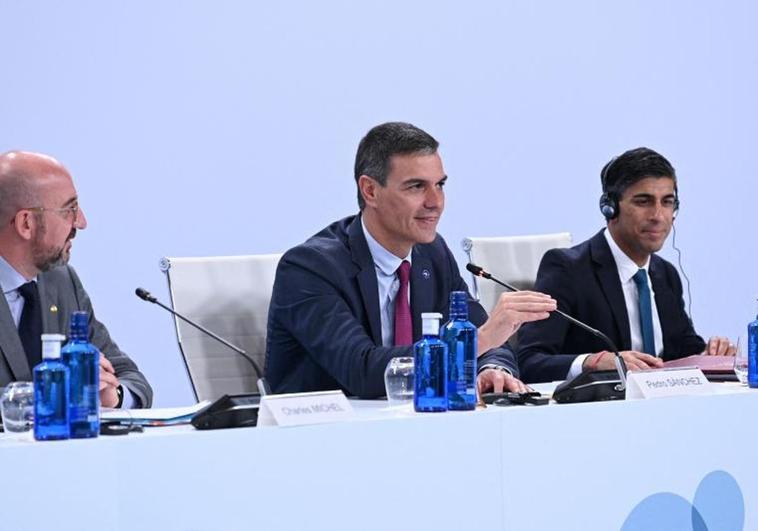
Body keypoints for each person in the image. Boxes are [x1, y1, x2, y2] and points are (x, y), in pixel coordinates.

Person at [265, 122, 556, 397]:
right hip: (319, 438)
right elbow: (361, 370)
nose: (435, 202)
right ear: (370, 190)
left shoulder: (432, 254)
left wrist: (491, 367)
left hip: (409, 429)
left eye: (440, 185)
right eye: (416, 186)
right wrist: (476, 343)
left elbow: (488, 339)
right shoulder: (310, 268)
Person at [517, 147, 733, 383]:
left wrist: (711, 355)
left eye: (667, 202)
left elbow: (682, 351)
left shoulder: (665, 274)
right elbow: (529, 361)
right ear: (610, 208)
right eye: (644, 201)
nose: (658, 216)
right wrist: (593, 362)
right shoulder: (567, 268)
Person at [0, 151, 152, 407]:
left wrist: (111, 396)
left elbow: (129, 376)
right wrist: (55, 395)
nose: (81, 222)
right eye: (69, 210)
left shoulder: (61, 281)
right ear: (26, 223)